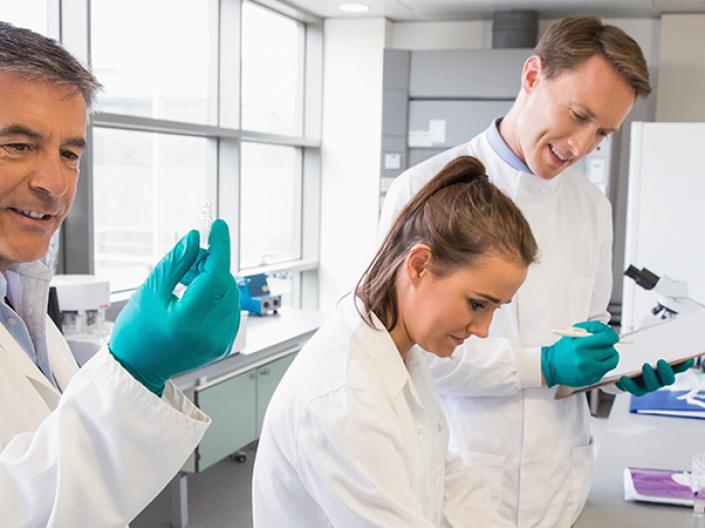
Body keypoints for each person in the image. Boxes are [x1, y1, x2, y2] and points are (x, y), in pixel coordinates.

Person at [378, 15, 693, 527]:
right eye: (578, 115)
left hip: (559, 488)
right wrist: (542, 364)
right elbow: (405, 356)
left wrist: (620, 371)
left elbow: (585, 341)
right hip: (455, 481)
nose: (581, 145)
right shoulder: (425, 190)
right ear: (531, 76)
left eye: (603, 133)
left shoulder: (593, 207)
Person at [0, 22, 241, 526]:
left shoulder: (20, 300)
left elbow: (78, 485)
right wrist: (133, 371)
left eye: (69, 154)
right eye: (17, 145)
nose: (53, 183)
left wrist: (136, 376)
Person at [253, 156, 539, 526]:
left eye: (496, 308)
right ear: (419, 266)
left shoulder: (398, 353)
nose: (483, 329)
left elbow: (443, 479)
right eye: (477, 304)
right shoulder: (346, 398)